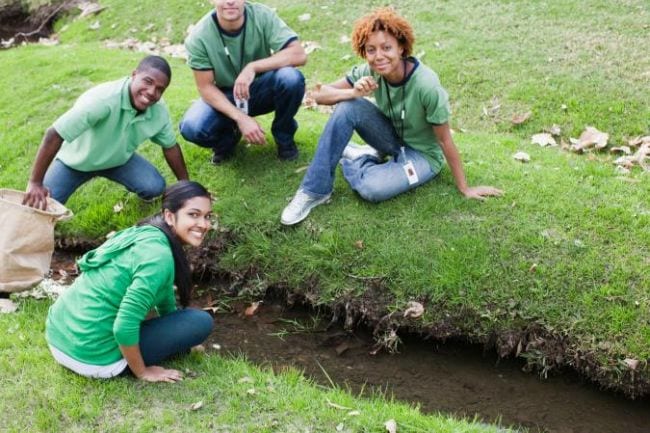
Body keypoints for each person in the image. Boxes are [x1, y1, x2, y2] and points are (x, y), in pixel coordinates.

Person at [281, 8, 503, 226]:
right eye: (371, 50)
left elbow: (445, 140)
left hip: (423, 156)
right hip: (391, 139)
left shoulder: (427, 85)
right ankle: (314, 191)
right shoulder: (370, 71)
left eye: (386, 47)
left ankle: (359, 158)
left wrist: (465, 188)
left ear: (401, 48)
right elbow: (319, 94)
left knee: (371, 189)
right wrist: (353, 92)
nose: (379, 56)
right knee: (348, 107)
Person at [45, 181, 214, 382]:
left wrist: (179, 334)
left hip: (59, 337)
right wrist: (143, 372)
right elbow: (124, 326)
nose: (203, 224)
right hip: (90, 357)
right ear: (169, 216)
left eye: (207, 216)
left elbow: (164, 291)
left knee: (187, 322)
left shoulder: (148, 233)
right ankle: (131, 365)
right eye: (193, 215)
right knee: (201, 321)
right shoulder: (159, 256)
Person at [23, 55, 189, 210]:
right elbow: (54, 134)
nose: (152, 92)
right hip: (75, 163)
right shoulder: (102, 100)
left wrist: (186, 186)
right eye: (147, 81)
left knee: (154, 187)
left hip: (118, 161)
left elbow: (170, 147)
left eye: (160, 89)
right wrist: (35, 182)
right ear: (134, 75)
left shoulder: (158, 111)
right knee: (42, 207)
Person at [179, 0, 307, 164]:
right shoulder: (198, 36)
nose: (230, 2)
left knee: (291, 78)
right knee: (192, 127)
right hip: (226, 96)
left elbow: (298, 54)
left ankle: (284, 137)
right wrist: (241, 118)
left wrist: (252, 68)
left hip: (261, 88)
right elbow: (205, 87)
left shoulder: (262, 15)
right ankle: (227, 140)